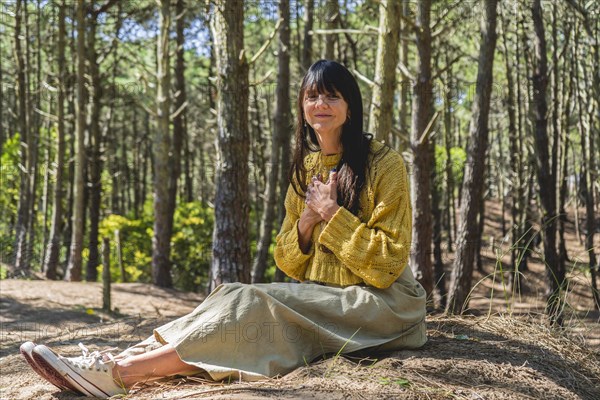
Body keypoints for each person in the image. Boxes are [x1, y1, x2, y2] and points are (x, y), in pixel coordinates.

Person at [20, 59, 426, 398]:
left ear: (350, 106)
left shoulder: (383, 164)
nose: (321, 103)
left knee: (251, 303)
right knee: (231, 292)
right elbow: (288, 262)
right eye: (312, 96)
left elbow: (388, 264)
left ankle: (122, 377)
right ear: (302, 106)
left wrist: (334, 216)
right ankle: (111, 361)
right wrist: (305, 221)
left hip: (383, 306)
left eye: (332, 95)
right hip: (325, 299)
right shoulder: (305, 168)